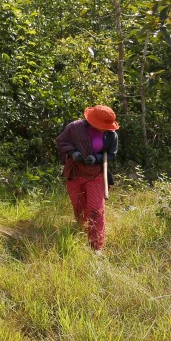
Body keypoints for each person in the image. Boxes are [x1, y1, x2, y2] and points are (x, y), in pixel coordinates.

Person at [55, 105, 119, 253]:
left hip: (96, 174)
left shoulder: (111, 135)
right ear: (92, 122)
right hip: (75, 173)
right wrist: (72, 152)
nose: (105, 129)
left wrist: (96, 158)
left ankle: (96, 247)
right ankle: (81, 233)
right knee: (79, 207)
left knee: (96, 209)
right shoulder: (74, 127)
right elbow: (61, 141)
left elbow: (111, 154)